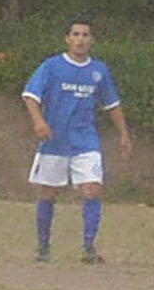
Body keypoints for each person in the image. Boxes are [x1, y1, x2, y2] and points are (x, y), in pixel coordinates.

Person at [23, 20, 129, 264]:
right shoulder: (52, 66)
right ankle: (43, 246)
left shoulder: (99, 70)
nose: (80, 39)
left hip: (85, 141)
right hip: (54, 141)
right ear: (67, 39)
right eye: (76, 34)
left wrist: (123, 132)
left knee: (93, 188)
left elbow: (112, 104)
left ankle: (88, 248)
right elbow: (30, 96)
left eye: (85, 35)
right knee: (48, 193)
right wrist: (39, 121)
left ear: (91, 40)